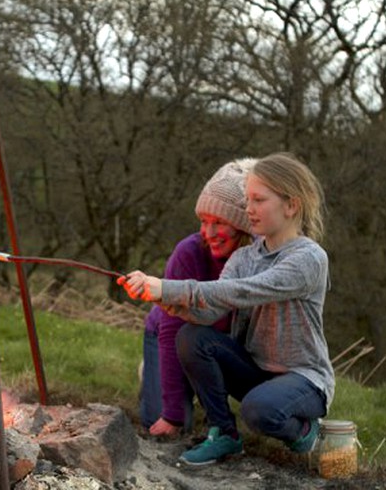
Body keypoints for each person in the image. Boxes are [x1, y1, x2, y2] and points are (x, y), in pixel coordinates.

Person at [120, 152, 334, 465]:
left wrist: (167, 287)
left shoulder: (309, 259)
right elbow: (210, 311)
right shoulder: (244, 257)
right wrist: (161, 299)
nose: (249, 209)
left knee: (258, 411)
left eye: (259, 200)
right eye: (247, 200)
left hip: (303, 378)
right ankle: (223, 433)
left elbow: (243, 291)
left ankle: (303, 429)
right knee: (192, 337)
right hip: (255, 369)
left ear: (291, 205)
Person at [139, 159, 257, 437]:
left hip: (218, 343)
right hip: (168, 335)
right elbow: (171, 331)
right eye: (204, 221)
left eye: (219, 222)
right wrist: (173, 415)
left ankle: (202, 388)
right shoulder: (189, 252)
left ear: (243, 225)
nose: (210, 233)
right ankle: (155, 373)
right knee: (167, 423)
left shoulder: (261, 260)